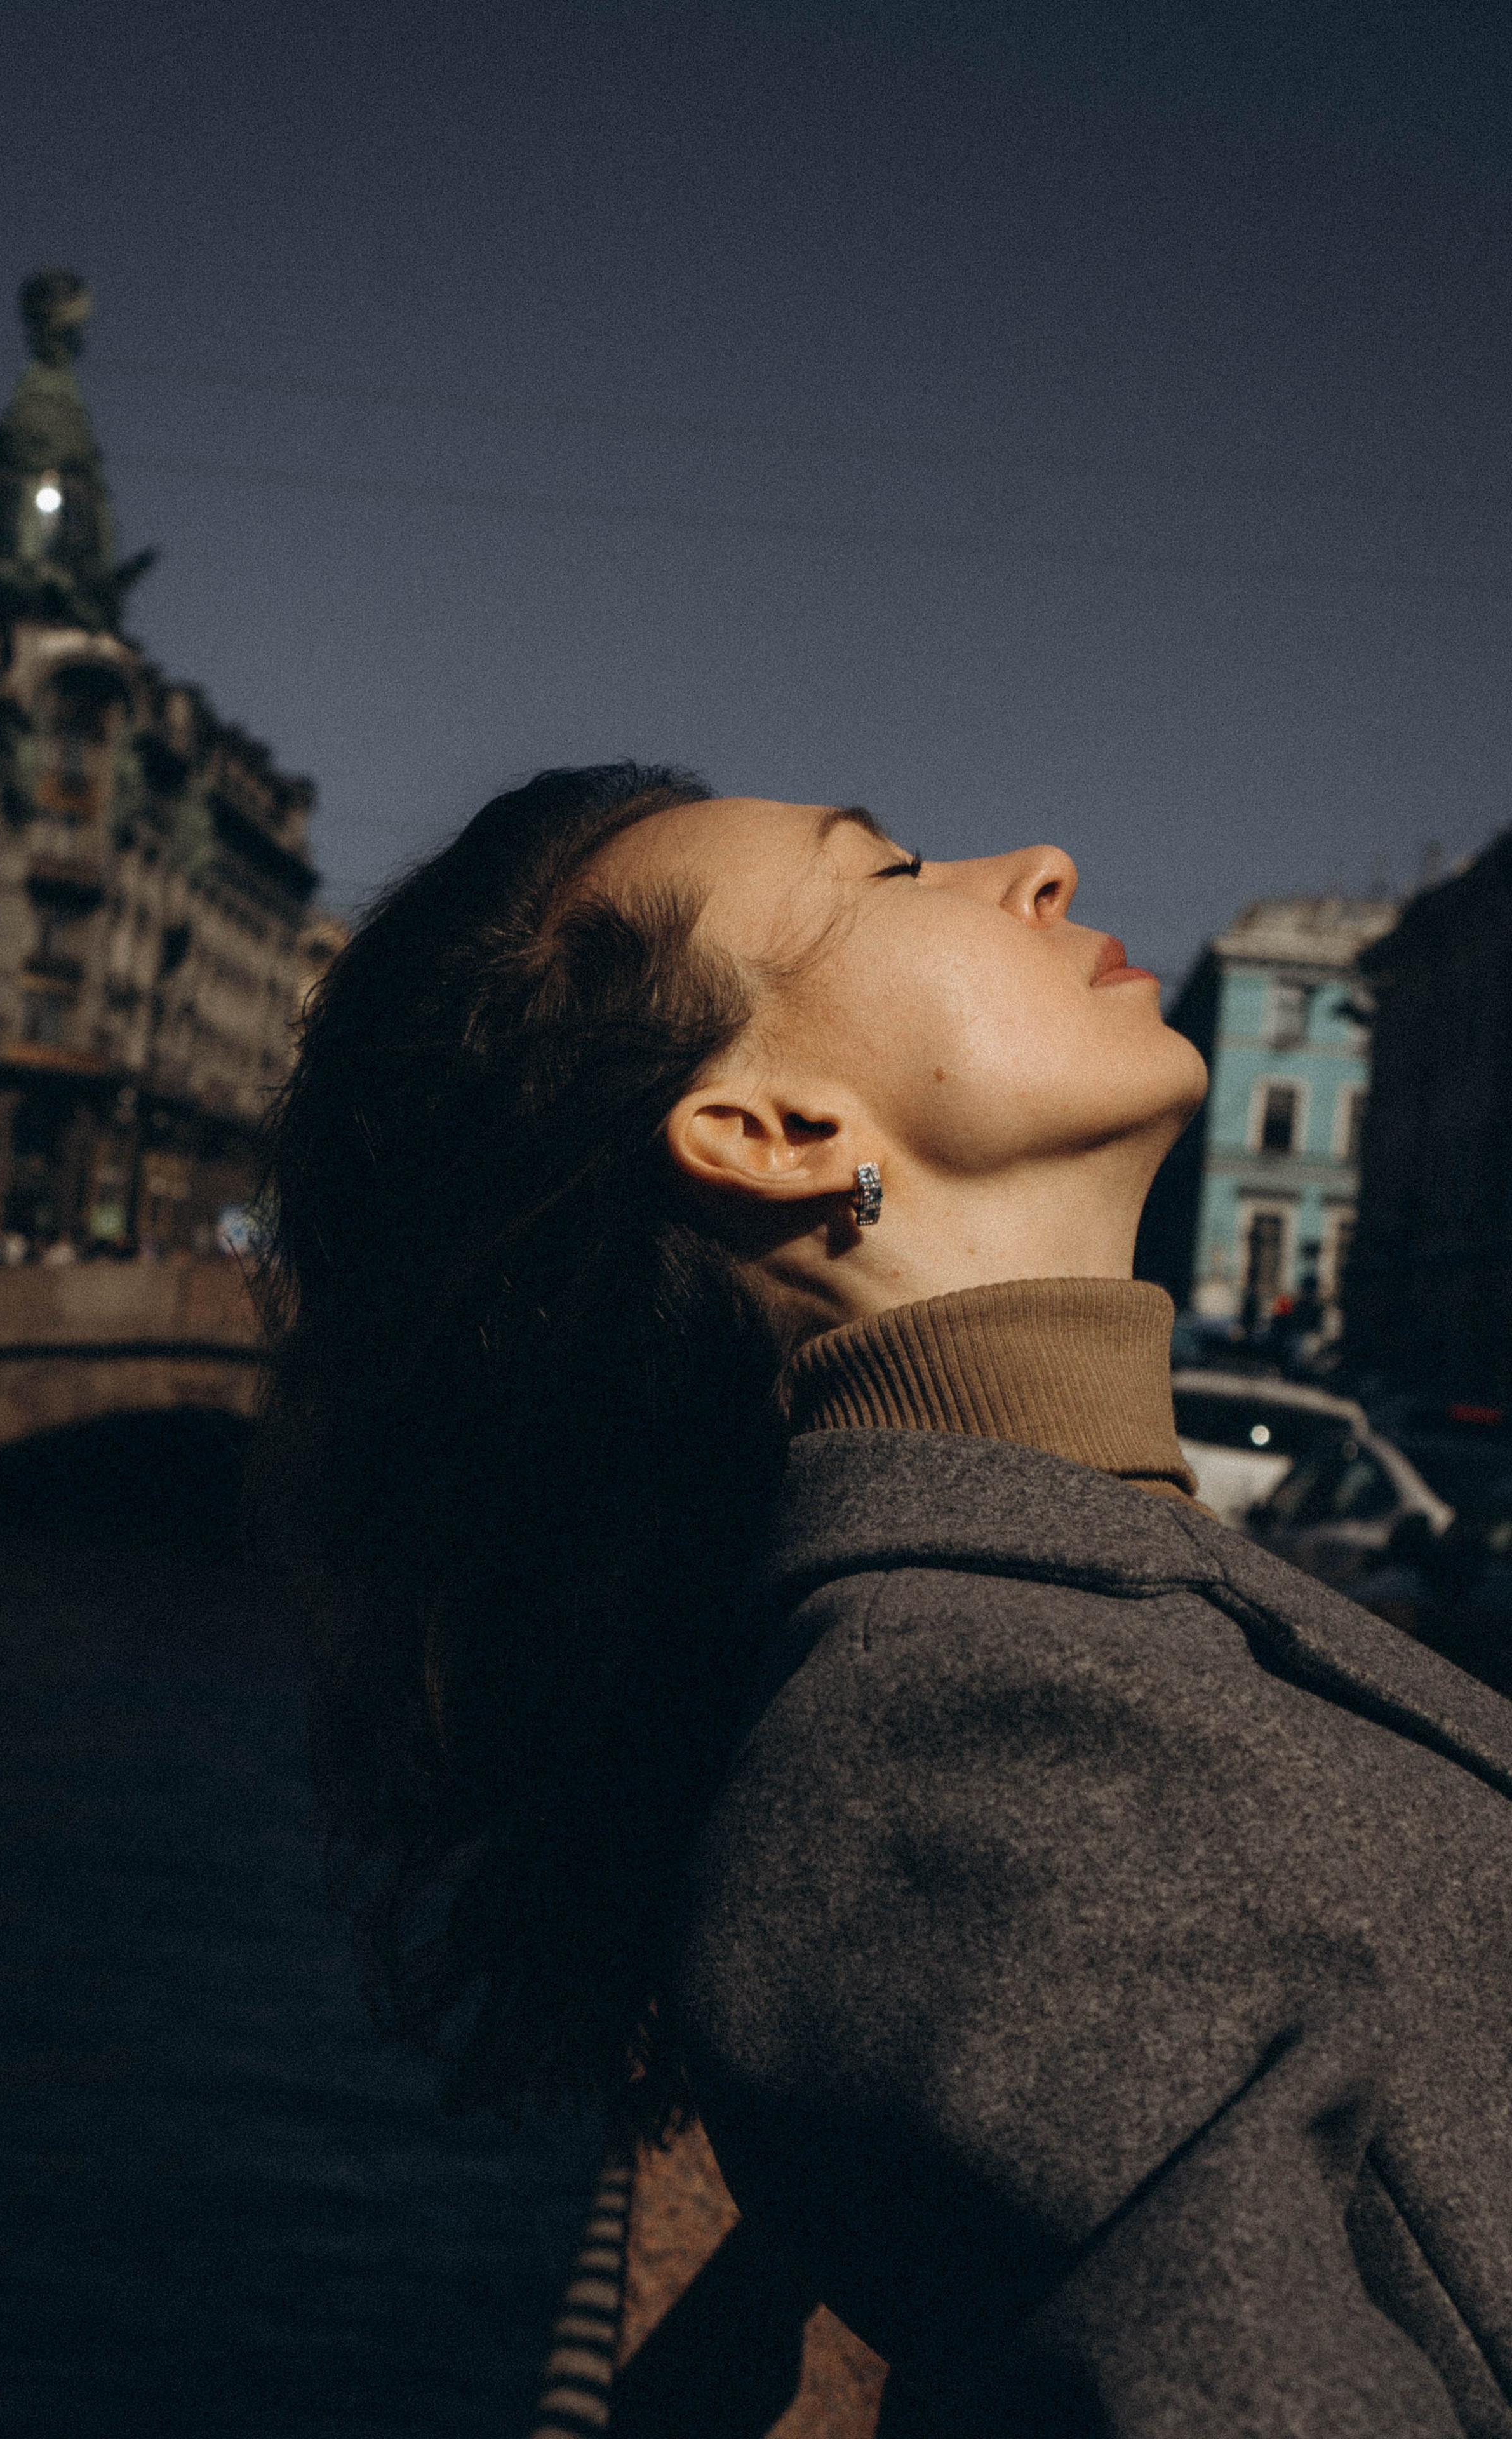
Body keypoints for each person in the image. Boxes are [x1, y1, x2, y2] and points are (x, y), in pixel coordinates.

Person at [262, 763, 1512, 2436]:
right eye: (897, 870)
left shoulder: (1054, 1625)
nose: (1043, 866)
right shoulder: (943, 1764)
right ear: (776, 1132)